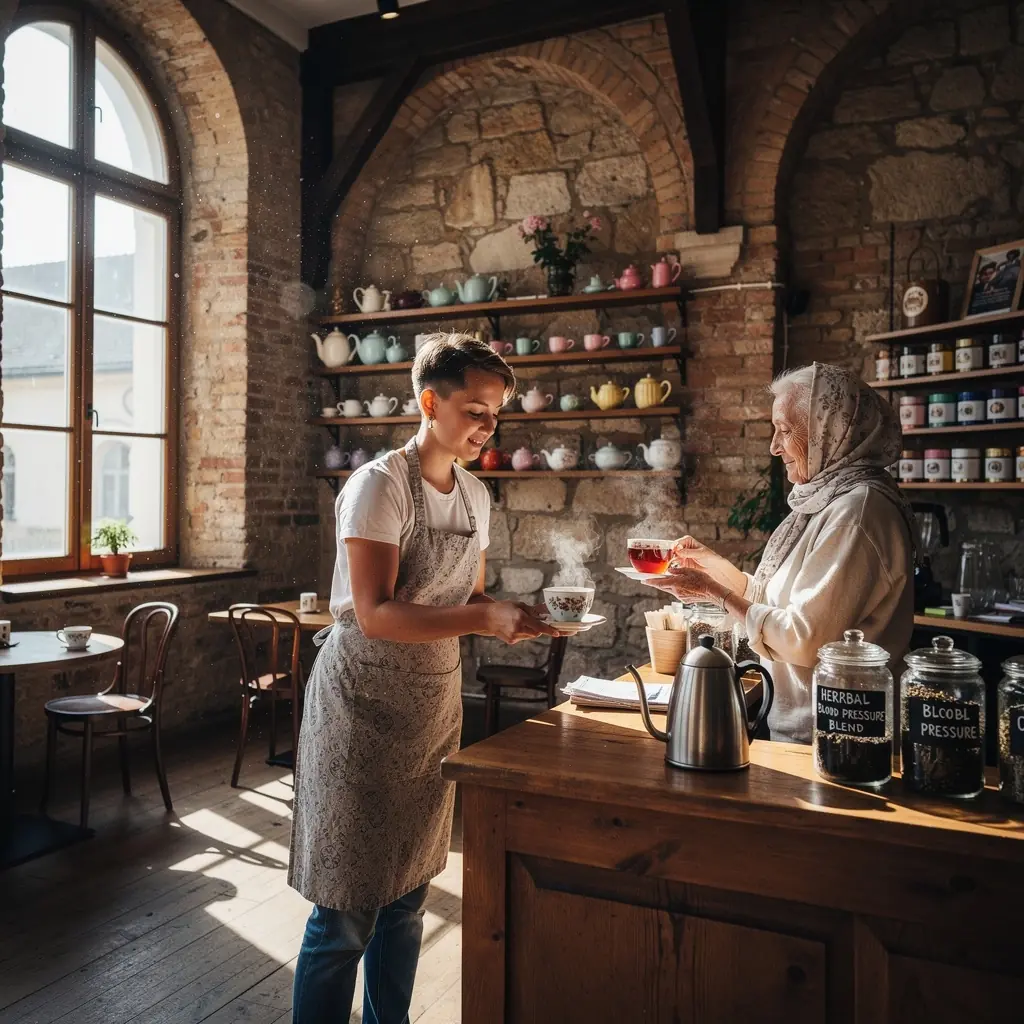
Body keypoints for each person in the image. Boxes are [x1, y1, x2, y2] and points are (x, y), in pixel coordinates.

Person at [289, 333, 557, 1023]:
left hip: (430, 709)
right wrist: (481, 619)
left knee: (408, 898)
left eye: (495, 414)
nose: (486, 426)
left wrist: (515, 617)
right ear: (429, 401)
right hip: (360, 707)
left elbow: (466, 600)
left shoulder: (474, 497)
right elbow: (375, 614)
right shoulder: (377, 486)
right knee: (346, 908)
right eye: (474, 409)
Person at [646, 361, 915, 744]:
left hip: (841, 740)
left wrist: (717, 595)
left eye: (785, 431)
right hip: (808, 733)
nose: (774, 447)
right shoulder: (829, 501)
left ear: (830, 431)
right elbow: (783, 608)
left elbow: (804, 639)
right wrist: (719, 572)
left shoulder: (858, 511)